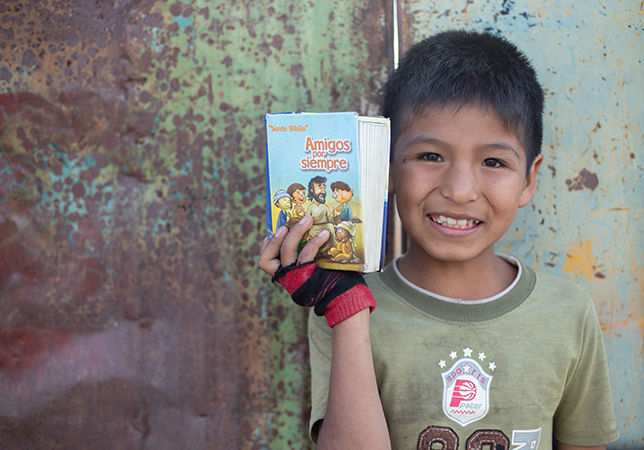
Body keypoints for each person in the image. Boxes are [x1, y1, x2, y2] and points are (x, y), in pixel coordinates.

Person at [259, 30, 618, 450]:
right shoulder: (339, 306)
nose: (460, 189)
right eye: (430, 156)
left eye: (493, 161)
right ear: (387, 168)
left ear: (529, 179)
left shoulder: (567, 314)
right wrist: (347, 310)